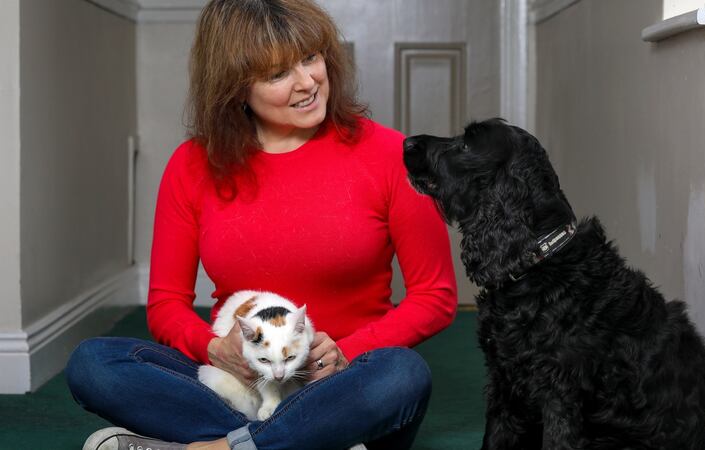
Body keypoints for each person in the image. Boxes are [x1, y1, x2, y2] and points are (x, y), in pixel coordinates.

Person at [65, 1, 458, 449]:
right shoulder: (192, 165)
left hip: (341, 385)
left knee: (402, 375)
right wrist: (218, 350)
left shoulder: (390, 154)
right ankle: (296, 441)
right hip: (242, 385)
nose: (308, 82)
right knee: (94, 363)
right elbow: (166, 305)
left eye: (310, 57)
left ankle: (224, 446)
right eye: (277, 75)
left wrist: (348, 350)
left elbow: (436, 296)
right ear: (236, 88)